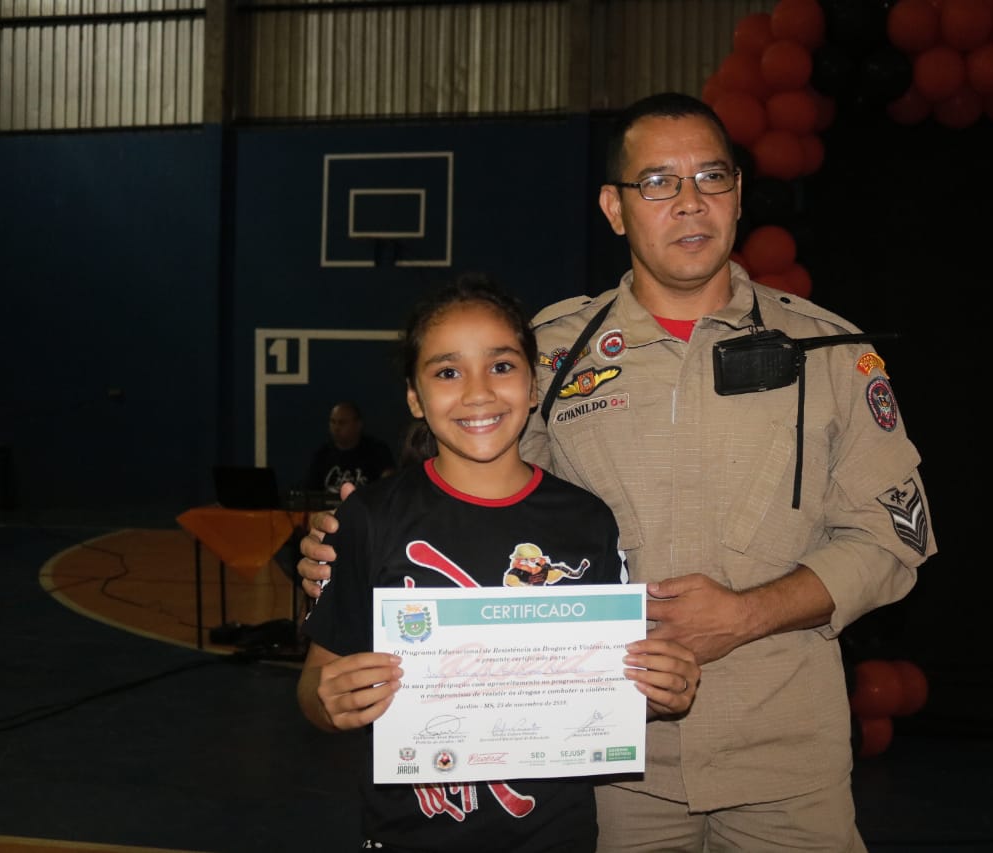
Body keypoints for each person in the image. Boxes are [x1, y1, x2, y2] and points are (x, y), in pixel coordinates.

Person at [300, 92, 936, 852]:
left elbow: (891, 539)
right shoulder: (547, 355)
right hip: (607, 771)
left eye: (712, 177)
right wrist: (351, 547)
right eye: (658, 182)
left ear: (739, 193)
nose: (690, 202)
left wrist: (747, 614)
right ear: (614, 207)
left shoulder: (830, 352)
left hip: (785, 761)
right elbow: (469, 509)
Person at [297, 275, 700, 852]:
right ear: (414, 397)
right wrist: (329, 701)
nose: (478, 392)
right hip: (409, 836)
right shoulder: (369, 519)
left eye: (502, 366)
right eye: (447, 372)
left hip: (556, 837)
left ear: (534, 385)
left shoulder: (586, 520)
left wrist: (660, 692)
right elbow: (316, 683)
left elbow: (609, 689)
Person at [304, 401, 395, 504]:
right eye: (333, 422)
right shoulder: (322, 455)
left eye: (342, 422)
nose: (336, 428)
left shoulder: (377, 450)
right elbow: (310, 493)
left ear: (358, 424)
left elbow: (389, 485)